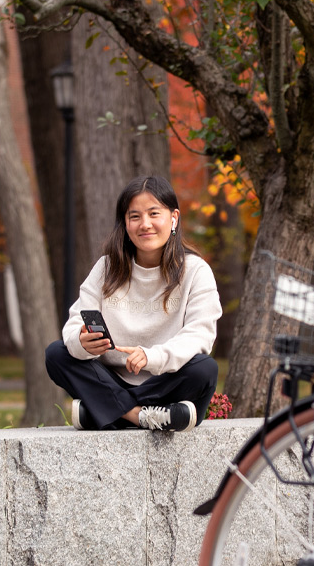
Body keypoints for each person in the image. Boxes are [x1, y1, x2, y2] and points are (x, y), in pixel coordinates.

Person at [45, 175, 222, 431]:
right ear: (125, 224)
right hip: (111, 379)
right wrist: (81, 343)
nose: (145, 224)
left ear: (173, 218)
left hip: (165, 382)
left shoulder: (195, 271)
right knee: (57, 353)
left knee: (204, 369)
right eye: (135, 216)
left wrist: (152, 356)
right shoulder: (107, 268)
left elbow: (199, 336)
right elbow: (75, 324)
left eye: (154, 214)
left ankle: (102, 411)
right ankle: (141, 416)